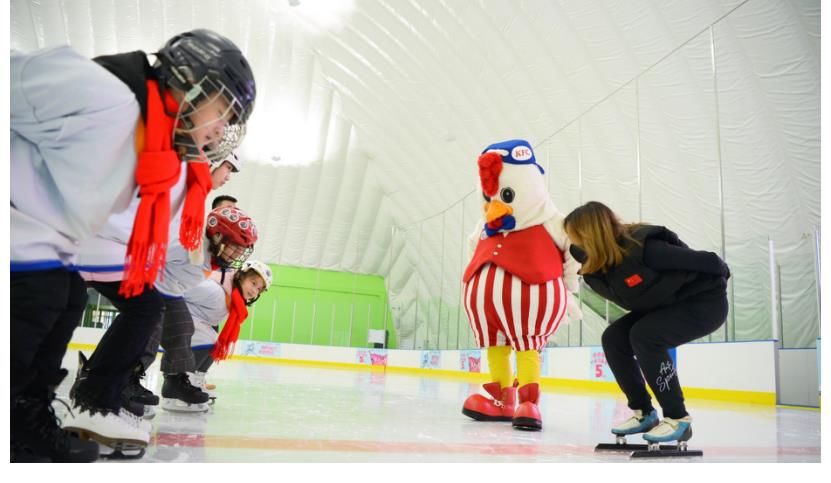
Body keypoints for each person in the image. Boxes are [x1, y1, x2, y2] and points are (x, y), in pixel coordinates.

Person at [10, 28, 255, 462]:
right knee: (40, 296)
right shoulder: (100, 92)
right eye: (223, 112)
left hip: (47, 238)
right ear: (191, 82)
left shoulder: (157, 145)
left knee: (65, 297)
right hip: (18, 224)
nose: (221, 133)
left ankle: (23, 416)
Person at [72, 152, 243, 430]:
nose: (228, 177)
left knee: (173, 320)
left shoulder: (195, 194)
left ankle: (165, 380)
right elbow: (164, 243)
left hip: (141, 263)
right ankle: (107, 384)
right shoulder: (186, 188)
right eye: (228, 168)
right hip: (119, 251)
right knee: (150, 312)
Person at [563, 201, 730, 445]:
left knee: (645, 336)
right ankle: (644, 412)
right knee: (614, 338)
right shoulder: (594, 263)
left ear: (591, 234)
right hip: (664, 306)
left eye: (575, 236)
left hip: (704, 303)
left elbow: (712, 262)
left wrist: (712, 289)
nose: (572, 243)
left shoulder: (646, 249)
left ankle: (677, 419)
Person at [460, 139, 582, 431]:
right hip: (487, 308)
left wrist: (569, 288)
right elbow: (472, 247)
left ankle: (529, 401)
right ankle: (503, 400)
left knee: (527, 347)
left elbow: (573, 248)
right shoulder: (485, 224)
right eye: (489, 198)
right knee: (496, 348)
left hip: (533, 297)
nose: (495, 206)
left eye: (504, 195)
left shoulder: (551, 219)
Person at [186, 260, 273, 402]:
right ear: (241, 276)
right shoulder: (215, 290)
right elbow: (181, 292)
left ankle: (196, 379)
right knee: (211, 339)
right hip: (175, 324)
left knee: (217, 343)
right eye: (253, 283)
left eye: (259, 289)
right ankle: (184, 381)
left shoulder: (233, 298)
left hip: (193, 324)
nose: (254, 291)